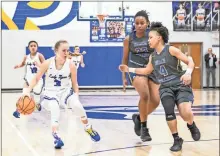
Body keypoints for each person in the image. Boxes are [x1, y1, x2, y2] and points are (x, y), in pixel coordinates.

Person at [119, 22, 201, 152]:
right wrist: (129, 69)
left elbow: (190, 60)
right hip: (165, 88)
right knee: (169, 113)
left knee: (185, 113)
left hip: (180, 85)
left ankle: (191, 125)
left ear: (159, 38)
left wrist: (188, 73)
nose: (148, 40)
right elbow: (146, 71)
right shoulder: (153, 57)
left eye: (150, 37)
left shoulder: (171, 49)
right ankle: (176, 139)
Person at [22, 40, 100, 149]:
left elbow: (74, 83)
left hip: (65, 91)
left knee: (78, 106)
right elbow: (36, 78)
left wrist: (76, 96)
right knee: (54, 108)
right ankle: (56, 136)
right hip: (50, 92)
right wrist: (27, 91)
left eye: (68, 50)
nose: (66, 52)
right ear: (56, 51)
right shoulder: (47, 63)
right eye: (63, 50)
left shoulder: (71, 64)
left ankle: (88, 127)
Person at [121, 10, 160, 142]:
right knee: (145, 95)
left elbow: (159, 52)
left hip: (151, 70)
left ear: (147, 23)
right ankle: (144, 128)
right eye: (137, 23)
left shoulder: (153, 36)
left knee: (155, 101)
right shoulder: (129, 39)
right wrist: (124, 77)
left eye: (142, 23)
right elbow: (125, 58)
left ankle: (138, 118)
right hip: (135, 70)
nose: (139, 25)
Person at [13, 41, 45, 118]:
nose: (33, 47)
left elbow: (45, 67)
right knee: (24, 95)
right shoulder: (26, 57)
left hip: (37, 80)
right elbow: (23, 63)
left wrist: (39, 65)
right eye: (31, 46)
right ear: (29, 47)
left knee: (36, 98)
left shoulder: (40, 56)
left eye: (34, 45)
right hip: (28, 79)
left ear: (37, 47)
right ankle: (18, 110)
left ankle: (37, 104)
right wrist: (18, 65)